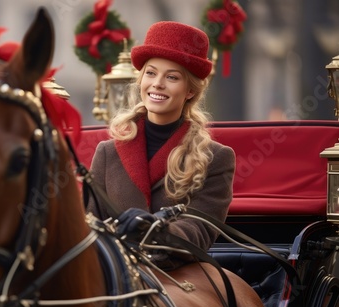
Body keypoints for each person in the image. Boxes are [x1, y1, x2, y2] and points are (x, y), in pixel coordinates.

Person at [86, 21, 236, 270]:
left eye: (172, 77)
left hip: (177, 278)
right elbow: (89, 223)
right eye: (151, 73)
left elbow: (199, 231)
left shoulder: (215, 158)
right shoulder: (107, 153)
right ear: (141, 79)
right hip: (113, 275)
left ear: (190, 91)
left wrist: (153, 230)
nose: (157, 84)